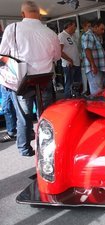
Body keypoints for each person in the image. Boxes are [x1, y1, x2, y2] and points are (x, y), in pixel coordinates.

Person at [0, 0, 61, 156]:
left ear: (22, 14)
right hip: (44, 80)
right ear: (39, 14)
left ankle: (25, 148)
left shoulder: (12, 28)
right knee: (45, 115)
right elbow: (56, 57)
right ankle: (46, 148)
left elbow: (2, 54)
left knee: (24, 117)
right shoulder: (50, 33)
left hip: (22, 81)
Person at [82, 19, 105, 96]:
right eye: (101, 29)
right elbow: (87, 50)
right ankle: (97, 106)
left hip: (99, 68)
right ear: (95, 27)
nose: (103, 31)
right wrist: (93, 65)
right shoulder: (89, 35)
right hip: (94, 69)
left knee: (100, 91)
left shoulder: (96, 36)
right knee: (97, 92)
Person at [58, 20, 81, 98]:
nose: (75, 28)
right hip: (69, 65)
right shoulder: (61, 35)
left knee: (76, 84)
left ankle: (74, 100)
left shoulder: (71, 36)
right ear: (69, 26)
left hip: (76, 64)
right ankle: (67, 101)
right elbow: (59, 51)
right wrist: (69, 59)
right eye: (74, 26)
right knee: (69, 84)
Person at [80, 20, 91, 95]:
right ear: (84, 27)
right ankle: (85, 90)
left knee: (89, 77)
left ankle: (87, 90)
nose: (90, 28)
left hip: (88, 59)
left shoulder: (89, 35)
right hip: (84, 59)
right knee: (85, 76)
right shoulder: (83, 36)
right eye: (88, 26)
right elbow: (81, 48)